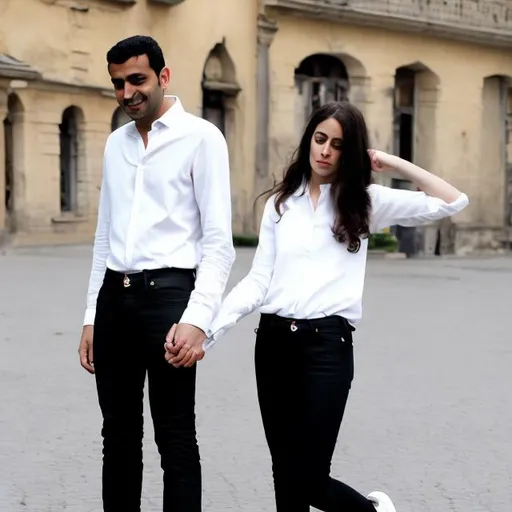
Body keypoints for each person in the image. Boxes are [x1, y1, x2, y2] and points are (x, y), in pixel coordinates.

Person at [166, 100, 469, 511]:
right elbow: (258, 281)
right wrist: (207, 330)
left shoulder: (365, 201)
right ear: (309, 139)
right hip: (273, 346)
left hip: (327, 349)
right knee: (284, 473)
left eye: (338, 144)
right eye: (320, 139)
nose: (325, 150)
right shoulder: (280, 205)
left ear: (352, 151)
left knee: (308, 479)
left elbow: (453, 201)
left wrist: (390, 162)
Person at [78, 35, 235, 512]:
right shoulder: (115, 144)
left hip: (170, 299)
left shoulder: (202, 138)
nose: (127, 93)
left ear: (163, 77)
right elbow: (104, 236)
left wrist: (198, 319)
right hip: (114, 299)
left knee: (174, 434)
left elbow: (218, 244)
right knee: (117, 437)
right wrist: (90, 314)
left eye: (137, 80)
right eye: (118, 83)